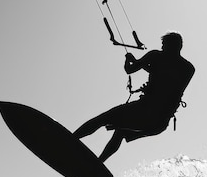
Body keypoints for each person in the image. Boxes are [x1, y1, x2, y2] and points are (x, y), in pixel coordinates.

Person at [73, 31, 195, 162]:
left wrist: (129, 60)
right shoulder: (188, 68)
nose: (162, 48)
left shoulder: (155, 56)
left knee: (103, 118)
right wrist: (142, 63)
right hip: (159, 123)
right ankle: (97, 164)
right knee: (120, 132)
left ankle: (70, 139)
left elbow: (129, 70)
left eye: (164, 45)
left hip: (144, 110)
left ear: (170, 46)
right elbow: (166, 77)